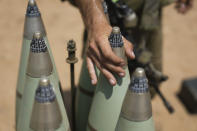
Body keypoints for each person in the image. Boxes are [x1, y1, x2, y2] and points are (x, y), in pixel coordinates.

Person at [68, 0, 193, 86]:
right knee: (103, 90)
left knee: (149, 84)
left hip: (151, 14)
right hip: (106, 18)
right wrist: (96, 21)